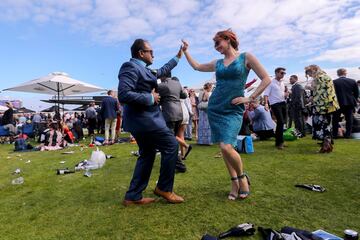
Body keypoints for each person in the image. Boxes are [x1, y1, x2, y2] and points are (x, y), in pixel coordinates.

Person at [182, 29, 271, 200]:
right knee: (224, 148)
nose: (216, 47)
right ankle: (234, 182)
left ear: (228, 40)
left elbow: (266, 78)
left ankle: (242, 177)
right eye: (214, 44)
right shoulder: (218, 63)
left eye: (218, 43)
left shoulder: (246, 57)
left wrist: (249, 98)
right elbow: (197, 66)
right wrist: (186, 51)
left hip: (233, 109)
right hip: (216, 107)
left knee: (226, 146)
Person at [118, 38, 184, 206]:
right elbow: (123, 94)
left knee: (147, 154)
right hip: (145, 120)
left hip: (145, 120)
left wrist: (178, 56)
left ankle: (133, 196)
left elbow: (163, 69)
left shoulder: (146, 70)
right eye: (151, 52)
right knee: (171, 145)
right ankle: (164, 188)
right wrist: (150, 97)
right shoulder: (130, 67)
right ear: (141, 53)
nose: (153, 55)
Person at [157, 74, 188, 172]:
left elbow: (156, 98)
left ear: (162, 76)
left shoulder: (161, 86)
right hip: (179, 114)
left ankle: (179, 166)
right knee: (172, 140)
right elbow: (184, 95)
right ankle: (176, 164)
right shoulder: (177, 83)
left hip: (169, 115)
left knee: (169, 142)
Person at [305, 65, 339, 153]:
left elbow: (320, 93)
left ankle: (326, 147)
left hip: (322, 106)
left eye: (309, 73)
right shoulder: (326, 76)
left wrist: (310, 91)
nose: (309, 75)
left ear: (314, 70)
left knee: (322, 126)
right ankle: (327, 146)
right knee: (327, 126)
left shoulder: (319, 78)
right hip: (329, 105)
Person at [263, 67, 287, 149]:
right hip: (275, 104)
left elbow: (282, 93)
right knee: (280, 122)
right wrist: (266, 104)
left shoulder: (282, 83)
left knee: (283, 122)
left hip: (283, 102)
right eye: (281, 73)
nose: (283, 74)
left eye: (284, 73)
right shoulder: (270, 83)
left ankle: (279, 141)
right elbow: (266, 94)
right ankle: (279, 143)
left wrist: (286, 94)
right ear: (276, 73)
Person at [332, 68, 359, 138]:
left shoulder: (334, 82)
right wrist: (353, 99)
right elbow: (356, 93)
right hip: (349, 103)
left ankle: (335, 134)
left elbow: (332, 93)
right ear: (345, 73)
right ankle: (348, 134)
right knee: (349, 119)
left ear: (338, 74)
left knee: (335, 119)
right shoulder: (352, 81)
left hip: (337, 103)